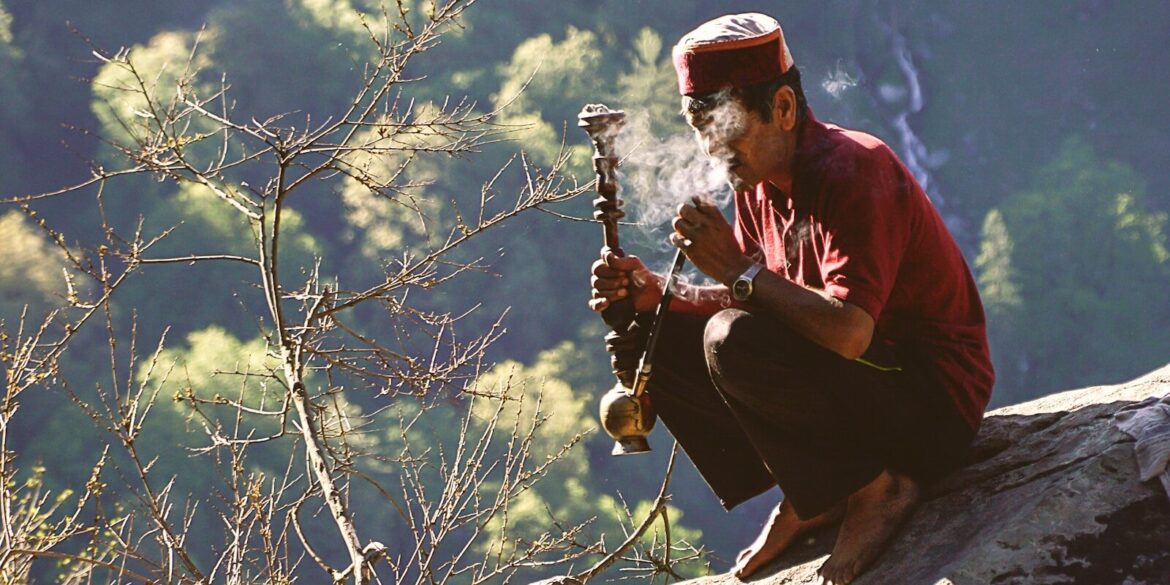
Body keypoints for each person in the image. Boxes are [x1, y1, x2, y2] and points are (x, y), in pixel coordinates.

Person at [588, 13, 994, 585]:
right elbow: (760, 296)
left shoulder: (855, 170)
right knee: (661, 329)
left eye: (725, 127)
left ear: (782, 108)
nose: (711, 148)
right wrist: (661, 295)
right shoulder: (757, 181)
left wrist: (732, 265)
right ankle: (819, 492)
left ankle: (880, 489)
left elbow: (849, 332)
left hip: (927, 404)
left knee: (731, 340)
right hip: (860, 389)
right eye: (700, 128)